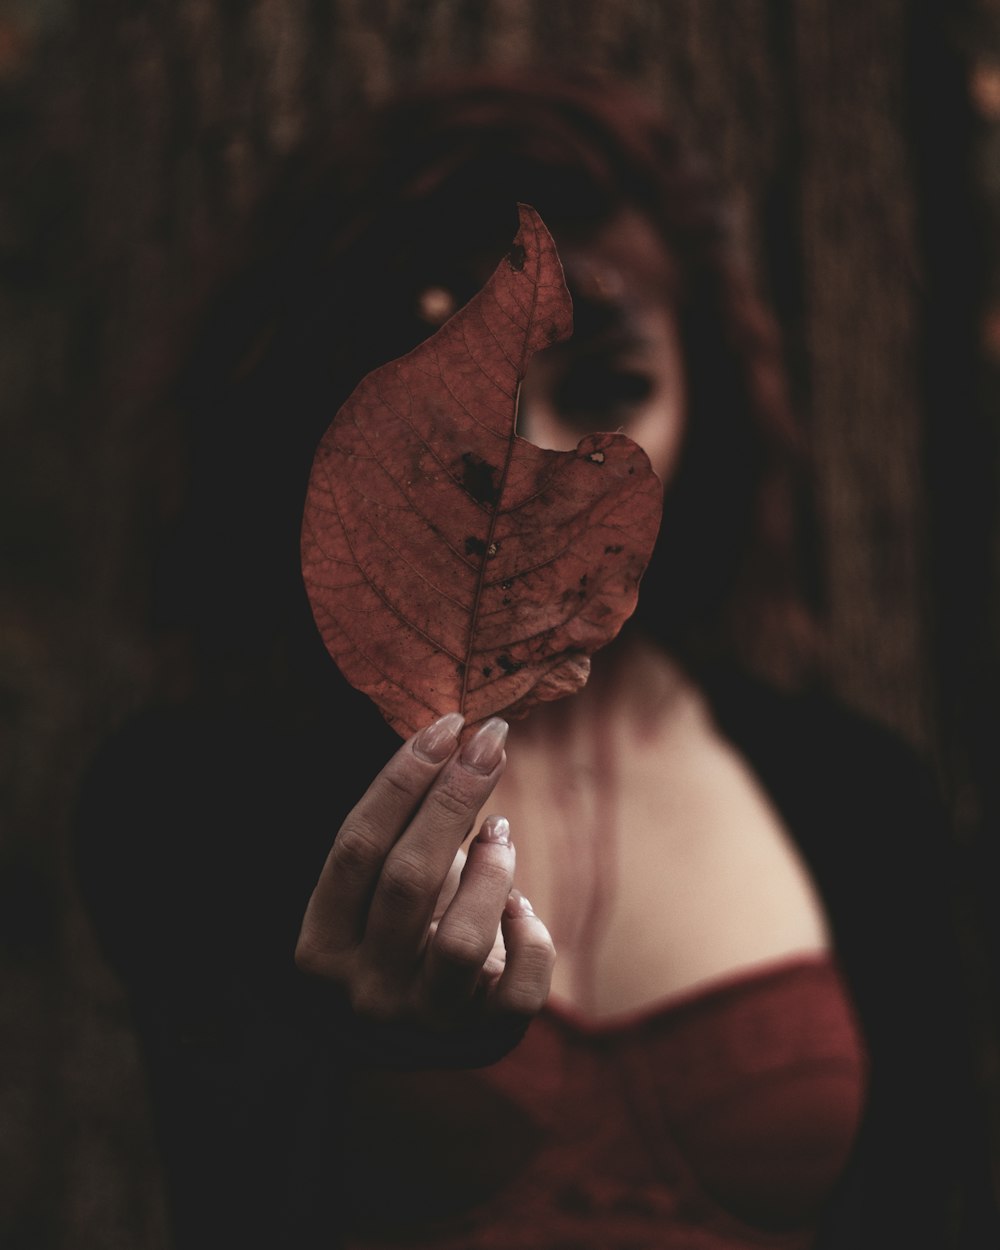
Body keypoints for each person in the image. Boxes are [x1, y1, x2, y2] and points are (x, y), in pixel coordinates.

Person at [74, 72, 997, 1248]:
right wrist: (344, 1070)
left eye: (610, 386)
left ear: (705, 404)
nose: (526, 459)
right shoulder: (196, 795)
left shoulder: (857, 793)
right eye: (451, 400)